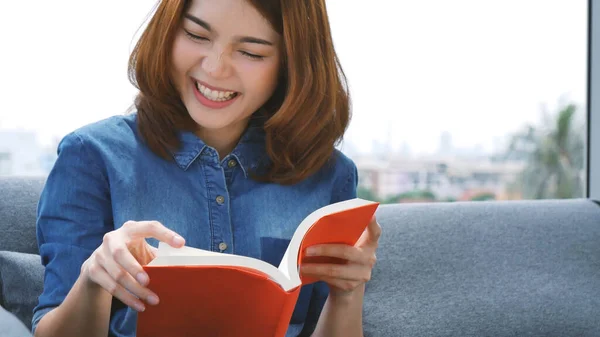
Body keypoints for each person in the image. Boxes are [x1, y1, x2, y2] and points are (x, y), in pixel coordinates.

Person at [31, 0, 382, 336]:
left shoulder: (328, 176)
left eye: (251, 52)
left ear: (292, 64)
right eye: (197, 35)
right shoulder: (92, 156)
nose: (214, 68)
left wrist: (348, 293)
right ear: (168, 32)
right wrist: (95, 279)